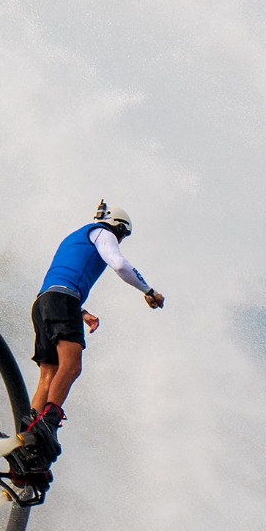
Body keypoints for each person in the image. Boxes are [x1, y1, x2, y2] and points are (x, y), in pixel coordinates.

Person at [16, 201, 162, 472]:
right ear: (119, 227)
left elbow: (61, 279)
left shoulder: (75, 236)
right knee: (71, 367)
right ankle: (47, 424)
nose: (119, 240)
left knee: (49, 374)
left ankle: (28, 440)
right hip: (63, 300)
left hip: (44, 302)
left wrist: (81, 312)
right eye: (122, 235)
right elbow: (120, 265)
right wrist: (149, 291)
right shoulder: (102, 233)